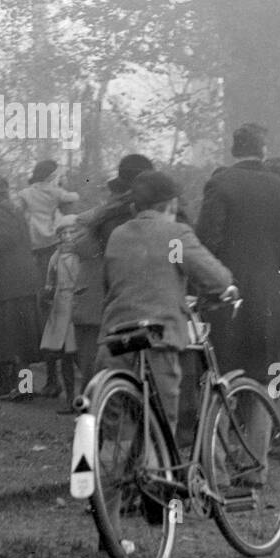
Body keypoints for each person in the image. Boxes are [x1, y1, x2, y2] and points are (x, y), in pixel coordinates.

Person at [99, 171, 235, 431]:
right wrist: (228, 288)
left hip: (116, 338)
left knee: (117, 422)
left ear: (132, 207)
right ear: (173, 204)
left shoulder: (118, 234)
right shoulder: (176, 233)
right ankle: (159, 468)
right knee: (160, 422)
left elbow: (109, 282)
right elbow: (214, 276)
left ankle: (115, 466)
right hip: (157, 336)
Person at [196, 124, 280, 384]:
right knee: (261, 383)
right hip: (270, 304)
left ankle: (221, 425)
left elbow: (206, 245)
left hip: (224, 302)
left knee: (222, 382)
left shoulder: (220, 184)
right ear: (263, 151)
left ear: (234, 149)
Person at [71, 154, 155, 386]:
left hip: (96, 302)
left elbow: (79, 246)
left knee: (98, 379)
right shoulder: (120, 216)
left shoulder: (100, 216)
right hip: (117, 304)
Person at [0, 174, 43, 396]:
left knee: (14, 337)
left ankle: (23, 388)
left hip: (11, 280)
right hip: (23, 278)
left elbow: (6, 238)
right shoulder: (13, 208)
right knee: (19, 336)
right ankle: (12, 383)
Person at [39, 216, 82, 410]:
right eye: (63, 233)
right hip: (60, 309)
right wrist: (47, 291)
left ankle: (86, 397)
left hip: (77, 307)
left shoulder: (82, 254)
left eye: (71, 232)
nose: (67, 237)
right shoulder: (55, 257)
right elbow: (50, 280)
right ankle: (70, 398)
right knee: (64, 356)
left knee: (80, 356)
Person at [15, 159, 80, 283]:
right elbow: (73, 197)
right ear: (52, 176)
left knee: (39, 270)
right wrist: (68, 189)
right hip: (52, 234)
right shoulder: (56, 192)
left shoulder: (25, 193)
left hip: (33, 234)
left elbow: (18, 211)